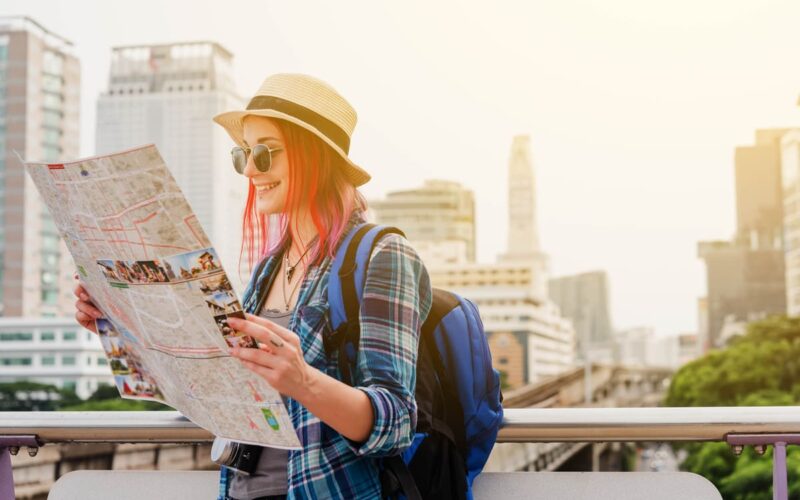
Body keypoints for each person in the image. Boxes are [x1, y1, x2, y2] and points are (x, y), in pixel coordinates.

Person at [73, 73, 432, 499]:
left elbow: (395, 424)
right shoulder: (267, 269)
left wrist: (304, 382)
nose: (249, 170)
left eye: (265, 153)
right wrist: (122, 323)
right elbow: (223, 394)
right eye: (242, 154)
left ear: (316, 155)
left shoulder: (382, 255)